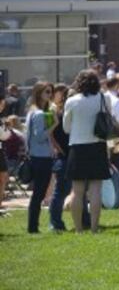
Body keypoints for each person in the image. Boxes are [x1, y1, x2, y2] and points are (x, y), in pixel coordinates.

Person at [63, 69, 115, 233]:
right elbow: (108, 118)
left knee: (77, 192)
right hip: (97, 146)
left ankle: (78, 229)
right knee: (95, 190)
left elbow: (66, 128)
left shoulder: (71, 101)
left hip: (77, 147)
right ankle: (94, 228)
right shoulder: (104, 98)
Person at [25, 82, 56, 233]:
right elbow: (39, 137)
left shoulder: (33, 111)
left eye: (51, 92)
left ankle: (33, 226)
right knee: (39, 193)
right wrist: (54, 125)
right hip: (41, 158)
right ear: (39, 94)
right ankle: (32, 227)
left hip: (38, 156)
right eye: (47, 92)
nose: (50, 95)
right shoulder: (38, 114)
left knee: (39, 193)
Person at [47, 84, 72, 231]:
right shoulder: (53, 112)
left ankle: (57, 222)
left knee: (69, 190)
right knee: (61, 190)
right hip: (63, 155)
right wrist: (58, 149)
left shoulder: (65, 113)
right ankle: (55, 223)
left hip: (68, 154)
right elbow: (51, 135)